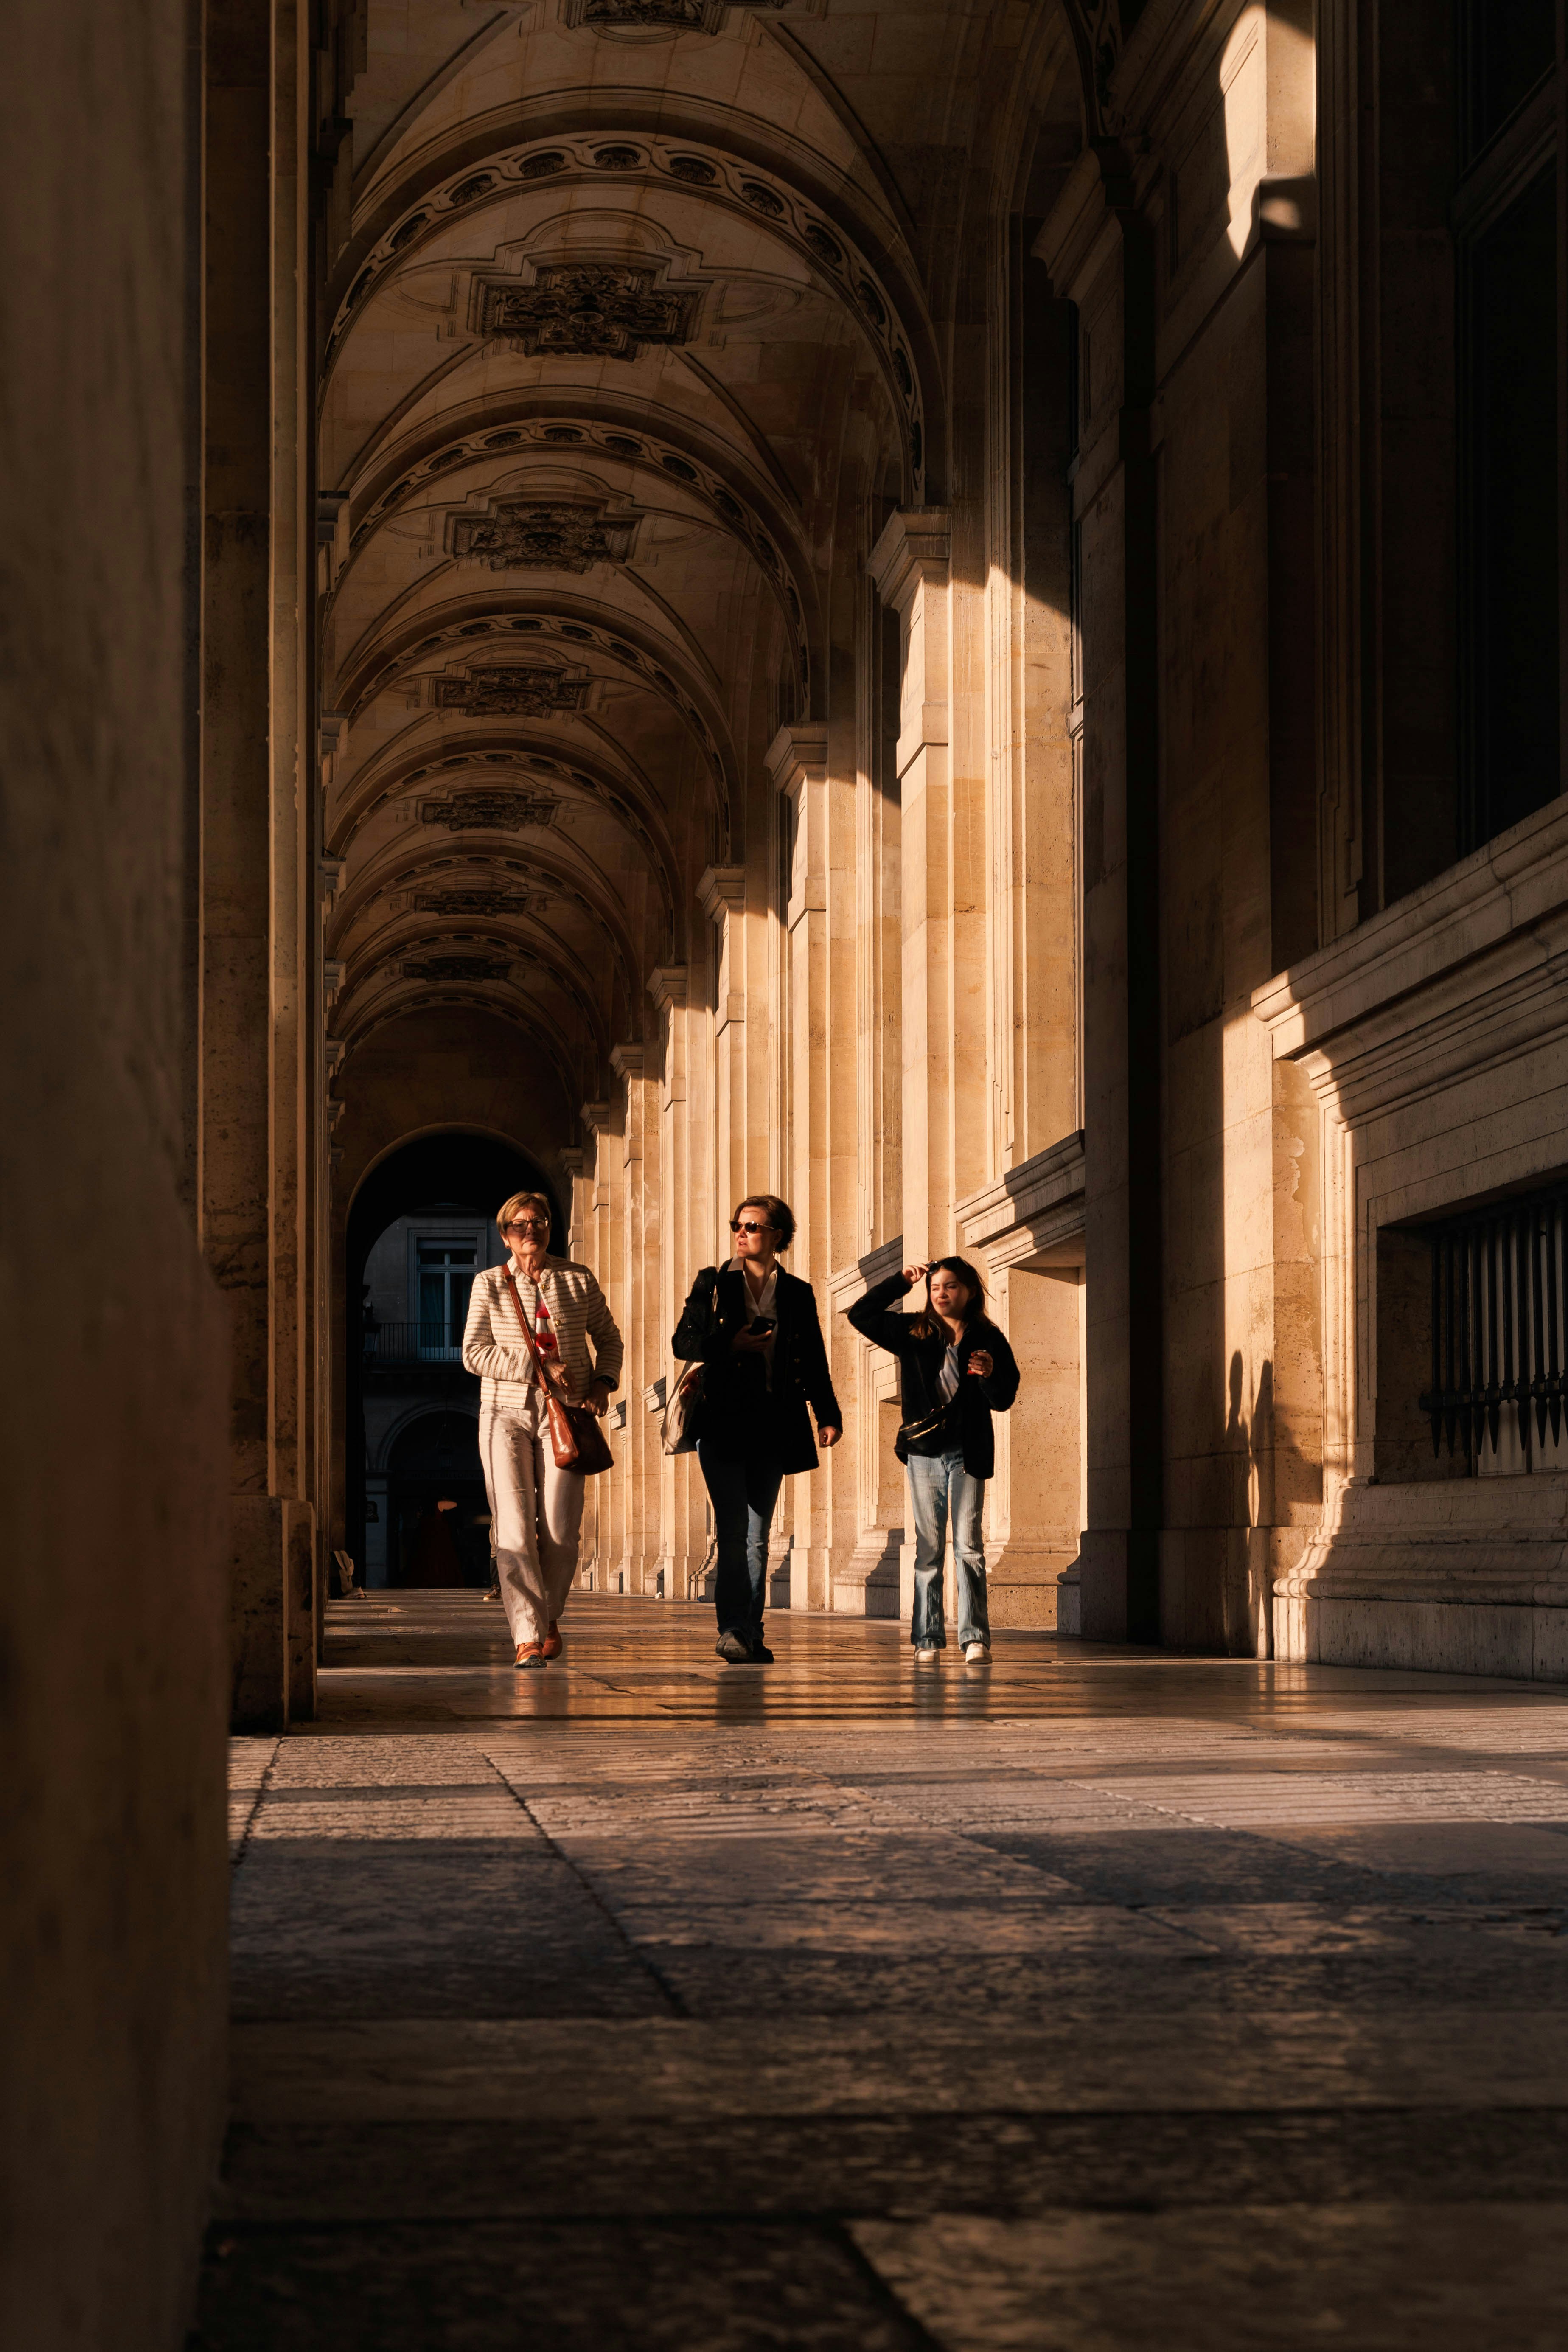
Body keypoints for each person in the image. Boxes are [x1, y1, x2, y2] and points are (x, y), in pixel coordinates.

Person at [672, 1193, 842, 1665]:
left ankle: (748, 1629)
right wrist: (731, 1342)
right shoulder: (712, 1282)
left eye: (753, 1226)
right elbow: (683, 1340)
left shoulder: (796, 1292)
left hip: (774, 1423)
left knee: (757, 1534)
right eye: (738, 1225)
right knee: (732, 1529)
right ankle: (734, 1629)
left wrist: (827, 1414)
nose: (742, 1232)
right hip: (722, 1421)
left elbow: (812, 1359)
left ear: (777, 1236)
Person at [462, 1190, 623, 1669]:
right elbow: (474, 1352)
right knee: (513, 1526)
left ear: (550, 1228)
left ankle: (548, 1614)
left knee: (560, 1529)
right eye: (519, 1225)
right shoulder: (488, 1284)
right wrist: (537, 1364)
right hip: (503, 1414)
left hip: (567, 1416)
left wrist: (602, 1381)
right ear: (504, 1234)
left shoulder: (577, 1279)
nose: (529, 1231)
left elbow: (609, 1338)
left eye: (538, 1222)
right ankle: (527, 1635)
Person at [847, 1256, 1019, 1665]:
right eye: (936, 1287)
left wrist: (991, 1373)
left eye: (951, 1287)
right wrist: (899, 1282)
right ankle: (927, 1638)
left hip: (968, 1453)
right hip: (924, 1455)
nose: (941, 1294)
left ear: (970, 1291)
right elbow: (861, 1314)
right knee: (928, 1548)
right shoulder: (914, 1332)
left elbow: (1004, 1398)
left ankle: (974, 1638)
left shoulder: (988, 1338)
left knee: (969, 1546)